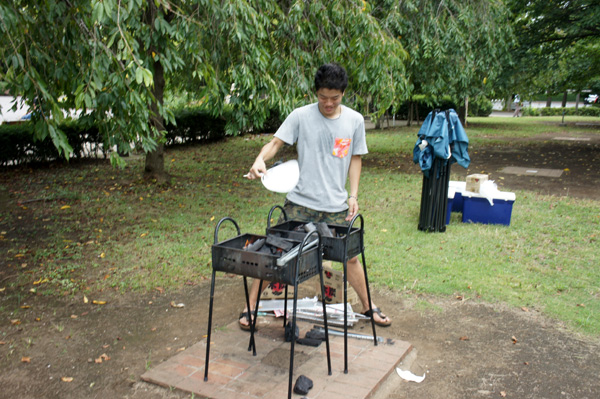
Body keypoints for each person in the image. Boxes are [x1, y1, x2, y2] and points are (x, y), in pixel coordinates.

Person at [241, 63, 391, 329]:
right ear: (316, 93)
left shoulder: (354, 121)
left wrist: (353, 195)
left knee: (351, 256)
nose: (329, 103)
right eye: (323, 97)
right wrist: (259, 159)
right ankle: (250, 307)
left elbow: (355, 158)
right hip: (300, 202)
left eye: (334, 98)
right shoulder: (300, 116)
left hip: (335, 205)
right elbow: (275, 143)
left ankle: (369, 307)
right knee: (275, 251)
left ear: (343, 93)